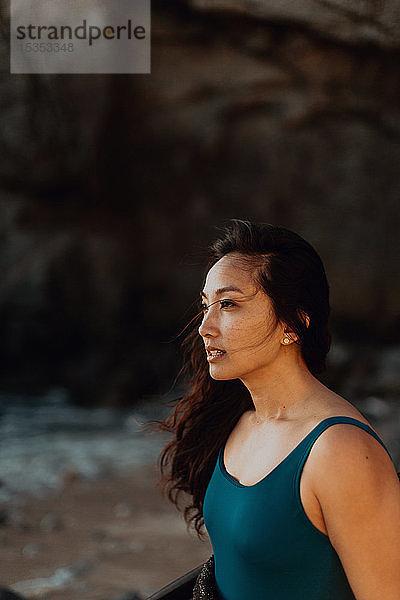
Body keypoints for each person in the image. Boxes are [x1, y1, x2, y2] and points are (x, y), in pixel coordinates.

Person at [155, 220, 400, 600]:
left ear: (293, 323)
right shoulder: (242, 421)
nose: (205, 326)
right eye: (207, 306)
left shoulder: (341, 451)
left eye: (229, 304)